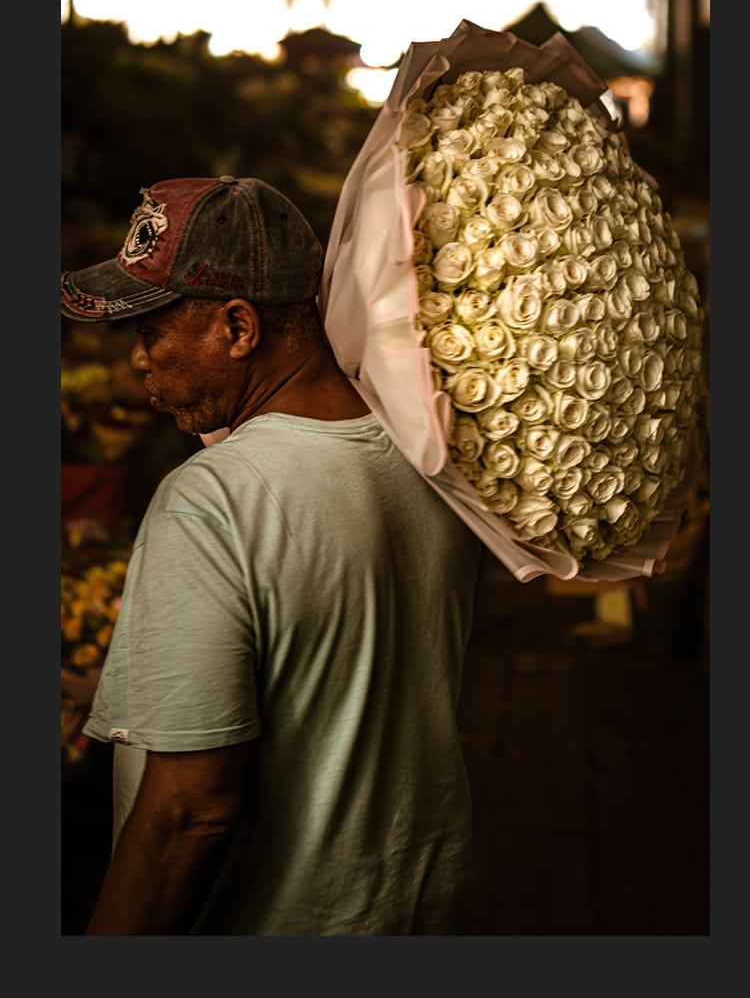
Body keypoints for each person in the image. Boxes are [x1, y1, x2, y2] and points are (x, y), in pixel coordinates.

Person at [61, 175, 482, 936]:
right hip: (414, 909)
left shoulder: (211, 501)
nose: (138, 362)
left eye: (151, 330)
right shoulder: (423, 456)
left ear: (238, 326)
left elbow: (191, 811)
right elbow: (342, 659)